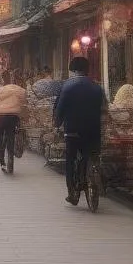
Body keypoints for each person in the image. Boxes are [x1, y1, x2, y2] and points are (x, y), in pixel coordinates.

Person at [53, 56, 107, 206]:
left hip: (72, 131)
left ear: (73, 70)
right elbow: (104, 109)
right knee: (93, 154)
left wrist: (57, 125)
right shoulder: (97, 87)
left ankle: (72, 193)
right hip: (93, 130)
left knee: (70, 160)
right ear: (87, 70)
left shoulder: (67, 86)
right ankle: (94, 176)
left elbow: (59, 108)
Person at [0, 71, 27, 171]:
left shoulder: (0, 90)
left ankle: (0, 160)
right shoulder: (20, 90)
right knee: (11, 134)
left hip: (0, 116)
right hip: (13, 116)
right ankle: (10, 154)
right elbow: (24, 101)